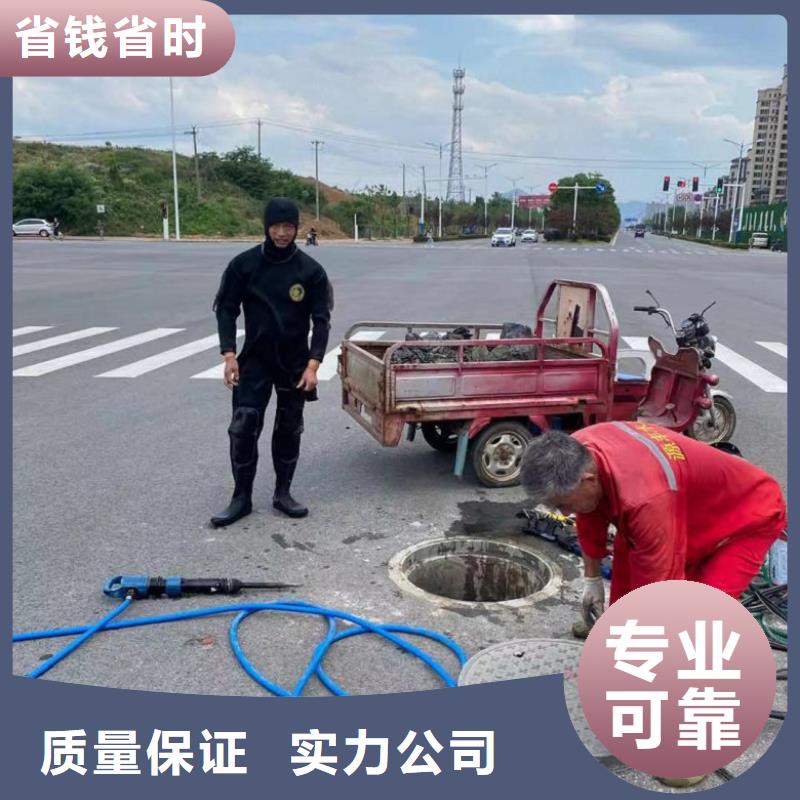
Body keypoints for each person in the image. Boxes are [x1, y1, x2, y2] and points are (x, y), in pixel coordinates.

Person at [520, 422, 786, 631]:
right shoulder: (577, 452)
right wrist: (592, 580)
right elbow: (590, 516)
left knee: (696, 616)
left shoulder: (645, 501)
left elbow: (659, 592)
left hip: (746, 516)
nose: (564, 513)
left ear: (588, 480)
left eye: (564, 504)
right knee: (625, 596)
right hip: (682, 507)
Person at [210, 197, 331, 528]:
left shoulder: (310, 271)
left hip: (294, 363)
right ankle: (241, 498)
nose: (282, 233)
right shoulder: (244, 265)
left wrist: (313, 365)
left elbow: (321, 321)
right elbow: (226, 309)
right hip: (255, 360)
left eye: (288, 227)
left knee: (289, 428)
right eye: (276, 226)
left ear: (297, 228)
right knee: (243, 427)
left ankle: (283, 493)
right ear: (266, 227)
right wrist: (229, 354)